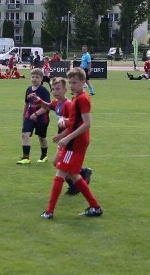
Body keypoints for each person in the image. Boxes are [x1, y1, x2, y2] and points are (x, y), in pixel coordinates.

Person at [35, 67, 101, 219]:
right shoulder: (78, 98)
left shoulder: (82, 99)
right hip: (74, 141)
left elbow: (86, 124)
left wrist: (67, 138)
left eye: (75, 83)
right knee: (74, 175)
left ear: (83, 82)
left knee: (60, 173)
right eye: (70, 82)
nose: (72, 85)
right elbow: (74, 123)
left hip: (76, 143)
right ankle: (95, 207)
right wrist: (64, 133)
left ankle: (49, 211)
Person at [17, 68, 51, 165]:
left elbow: (47, 107)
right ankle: (25, 157)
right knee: (24, 135)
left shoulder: (44, 91)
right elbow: (26, 103)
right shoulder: (28, 89)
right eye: (33, 77)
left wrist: (36, 114)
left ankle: (44, 155)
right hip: (29, 116)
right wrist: (24, 115)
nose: (34, 79)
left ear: (41, 78)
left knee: (41, 137)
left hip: (42, 118)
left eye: (37, 77)